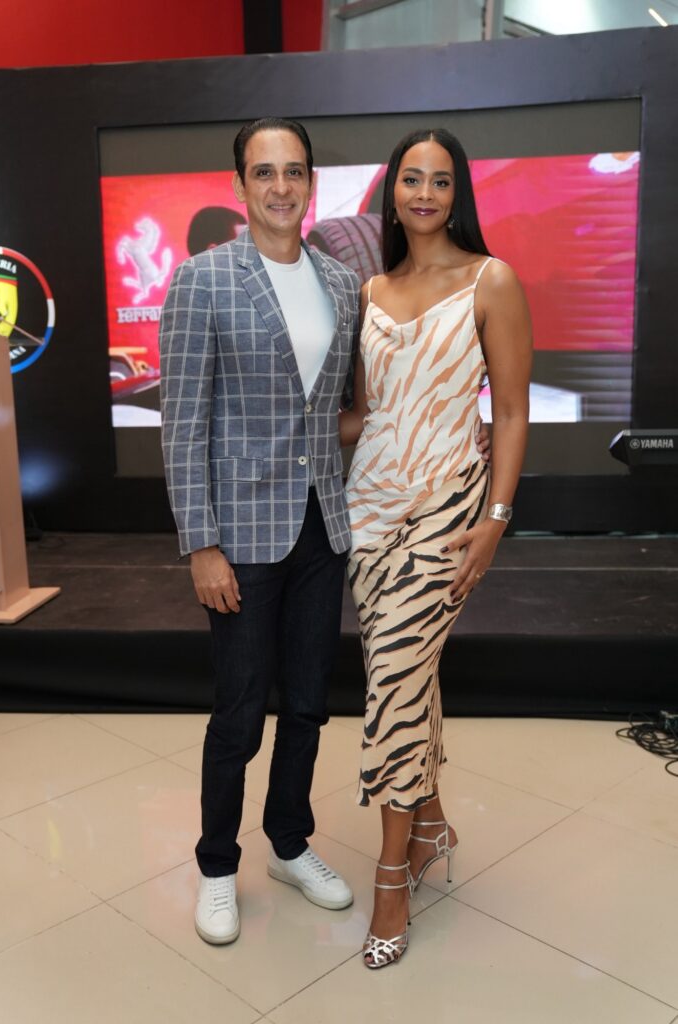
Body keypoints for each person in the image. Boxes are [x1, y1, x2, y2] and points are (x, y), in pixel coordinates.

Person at [158, 117, 362, 945]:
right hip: (239, 536)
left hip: (322, 527)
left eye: (295, 171)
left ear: (311, 181)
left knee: (307, 702)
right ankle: (217, 864)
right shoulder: (202, 279)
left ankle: (288, 842)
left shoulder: (342, 283)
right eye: (265, 171)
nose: (281, 186)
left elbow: (340, 412)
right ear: (240, 184)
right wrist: (200, 544)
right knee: (240, 710)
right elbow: (183, 425)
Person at [339, 128, 532, 969]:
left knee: (390, 679)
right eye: (412, 179)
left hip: (450, 512)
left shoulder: (493, 281)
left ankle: (392, 878)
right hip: (369, 513)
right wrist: (276, 430)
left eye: (441, 181)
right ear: (393, 191)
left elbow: (512, 412)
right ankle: (432, 825)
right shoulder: (371, 290)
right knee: (410, 676)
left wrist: (495, 519)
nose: (425, 194)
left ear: (459, 194)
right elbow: (367, 415)